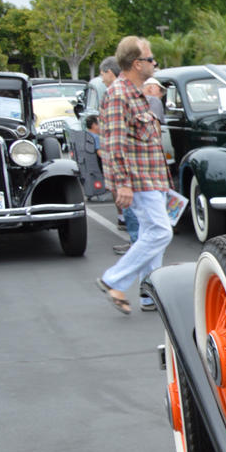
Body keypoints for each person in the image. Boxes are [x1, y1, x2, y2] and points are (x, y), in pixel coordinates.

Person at [96, 36, 173, 316]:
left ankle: (151, 296)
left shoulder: (138, 93)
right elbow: (114, 145)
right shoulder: (119, 95)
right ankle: (113, 280)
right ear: (137, 63)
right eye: (151, 59)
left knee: (154, 234)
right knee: (159, 233)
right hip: (139, 182)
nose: (155, 63)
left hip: (153, 180)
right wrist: (123, 185)